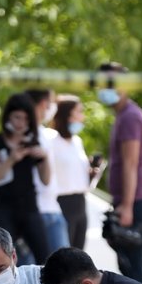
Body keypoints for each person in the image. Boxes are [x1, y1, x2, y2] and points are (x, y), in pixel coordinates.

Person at [98, 62, 142, 284]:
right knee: (128, 269)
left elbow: (130, 164)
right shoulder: (123, 116)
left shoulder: (130, 117)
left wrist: (127, 206)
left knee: (134, 272)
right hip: (131, 200)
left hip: (136, 201)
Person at [0, 93, 51, 265]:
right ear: (8, 116)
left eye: (25, 119)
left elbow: (46, 180)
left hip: (29, 206)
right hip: (3, 207)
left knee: (45, 258)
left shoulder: (32, 142)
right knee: (2, 259)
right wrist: (11, 159)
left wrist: (45, 158)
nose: (20, 123)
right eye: (17, 117)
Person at [26, 88, 70, 255]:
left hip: (53, 209)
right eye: (50, 103)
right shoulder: (27, 134)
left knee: (66, 271)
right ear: (44, 104)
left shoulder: (45, 134)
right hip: (37, 212)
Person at [50, 95, 95, 250]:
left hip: (80, 203)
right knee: (63, 255)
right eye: (79, 111)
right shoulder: (51, 140)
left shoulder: (77, 141)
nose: (82, 116)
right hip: (61, 203)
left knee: (79, 256)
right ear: (67, 114)